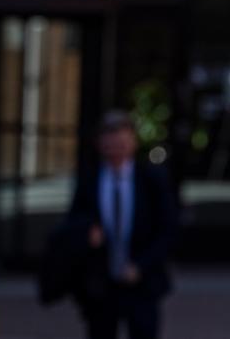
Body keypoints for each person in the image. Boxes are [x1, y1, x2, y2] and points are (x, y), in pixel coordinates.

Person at [64, 111, 178, 339]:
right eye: (110, 146)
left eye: (121, 145)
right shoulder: (89, 179)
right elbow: (73, 221)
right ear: (100, 145)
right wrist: (87, 233)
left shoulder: (152, 179)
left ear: (133, 143)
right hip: (101, 283)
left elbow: (168, 230)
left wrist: (140, 266)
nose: (116, 152)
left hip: (142, 281)